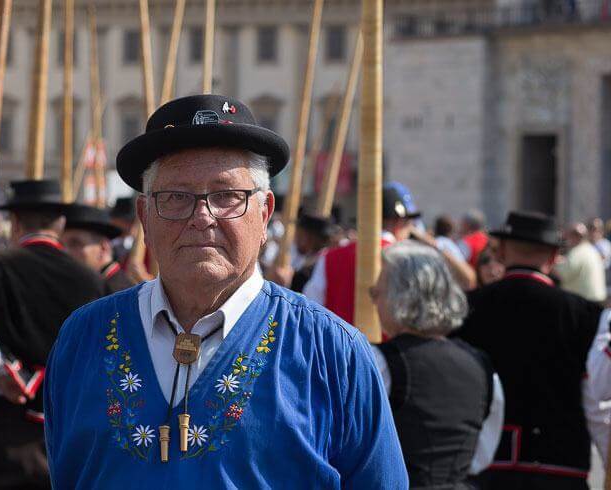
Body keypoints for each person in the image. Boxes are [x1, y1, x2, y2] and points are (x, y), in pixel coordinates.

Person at [45, 95, 407, 488]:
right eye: (175, 198)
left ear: (265, 213)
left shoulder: (333, 351)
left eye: (226, 196)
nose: (202, 217)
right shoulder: (84, 337)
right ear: (144, 218)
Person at [0, 179, 104, 490]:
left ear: (15, 223)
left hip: (2, 422)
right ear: (60, 225)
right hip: (66, 421)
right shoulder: (90, 280)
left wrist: (4, 368)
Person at [456, 211, 611, 490]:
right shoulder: (587, 316)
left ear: (501, 252)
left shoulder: (467, 308)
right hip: (560, 464)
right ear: (553, 258)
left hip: (485, 463)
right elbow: (597, 401)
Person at [369, 241, 504, 488]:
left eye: (377, 293)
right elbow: (481, 456)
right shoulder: (481, 365)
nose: (374, 302)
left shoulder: (381, 363)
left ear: (401, 296)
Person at [303, 181, 420, 323]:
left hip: (335, 343)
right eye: (410, 225)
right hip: (389, 344)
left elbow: (310, 309)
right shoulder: (404, 257)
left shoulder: (329, 257)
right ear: (400, 222)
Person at [63, 203, 135, 294]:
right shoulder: (95, 286)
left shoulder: (118, 293)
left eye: (75, 243)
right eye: (62, 244)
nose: (65, 252)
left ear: (103, 247)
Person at [267, 211, 334, 292]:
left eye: (299, 232)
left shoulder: (318, 265)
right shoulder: (293, 251)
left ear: (311, 237)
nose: (296, 236)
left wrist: (289, 281)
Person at [555, 222, 606, 303]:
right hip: (596, 300)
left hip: (585, 301)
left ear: (575, 236)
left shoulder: (578, 252)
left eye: (569, 235)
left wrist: (553, 262)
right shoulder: (590, 249)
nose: (566, 239)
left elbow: (561, 274)